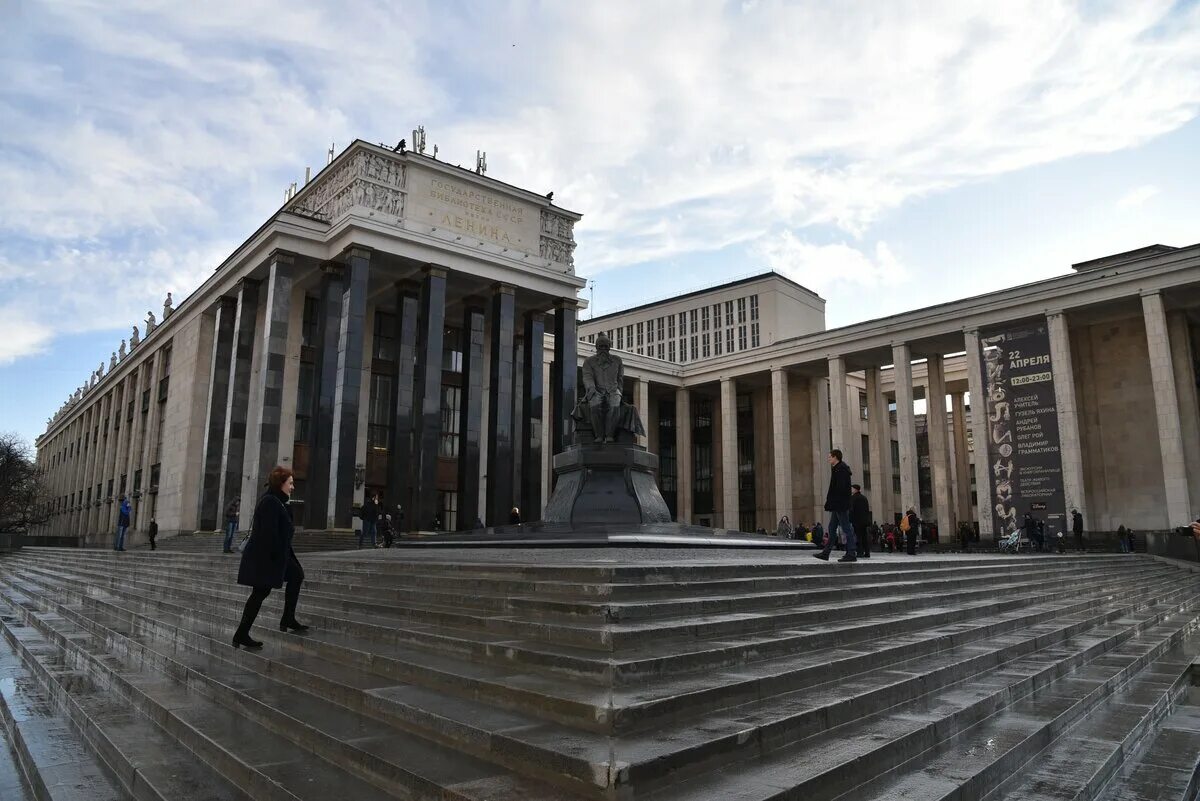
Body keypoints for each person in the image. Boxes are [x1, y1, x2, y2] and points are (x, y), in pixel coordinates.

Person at [233, 466, 307, 649]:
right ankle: (242, 633)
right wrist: (275, 561)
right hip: (267, 557)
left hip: (275, 555)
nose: (292, 487)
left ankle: (288, 618)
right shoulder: (270, 502)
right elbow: (269, 534)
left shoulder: (278, 501)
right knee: (260, 592)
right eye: (290, 483)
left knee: (296, 576)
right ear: (280, 484)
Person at [815, 449, 856, 563]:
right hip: (837, 504)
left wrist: (835, 502)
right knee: (832, 528)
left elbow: (840, 489)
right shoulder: (837, 469)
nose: (828, 459)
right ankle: (826, 552)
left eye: (830, 457)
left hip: (840, 504)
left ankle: (851, 553)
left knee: (846, 528)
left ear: (835, 457)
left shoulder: (841, 469)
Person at [849, 484, 871, 559]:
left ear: (855, 489)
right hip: (864, 521)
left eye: (852, 489)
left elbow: (851, 510)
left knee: (858, 537)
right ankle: (867, 552)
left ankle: (860, 552)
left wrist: (850, 519)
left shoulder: (853, 498)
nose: (851, 490)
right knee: (864, 536)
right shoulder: (864, 498)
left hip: (856, 520)